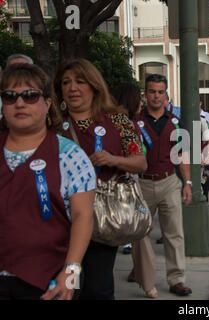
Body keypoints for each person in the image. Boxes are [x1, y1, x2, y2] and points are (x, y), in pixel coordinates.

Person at [53, 59, 147, 300]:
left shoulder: (118, 121)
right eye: (66, 82)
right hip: (59, 221)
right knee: (68, 285)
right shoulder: (52, 125)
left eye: (80, 81)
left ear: (94, 86)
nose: (72, 87)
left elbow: (140, 162)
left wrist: (113, 159)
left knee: (98, 285)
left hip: (102, 217)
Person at [0, 63, 95, 300]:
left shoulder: (70, 156)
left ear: (48, 103)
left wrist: (71, 274)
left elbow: (83, 217)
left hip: (48, 283)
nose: (19, 103)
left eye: (30, 96)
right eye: (10, 97)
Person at [136, 73, 193, 296]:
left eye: (160, 92)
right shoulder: (134, 122)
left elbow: (184, 154)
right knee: (139, 233)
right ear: (145, 94)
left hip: (170, 181)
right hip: (142, 184)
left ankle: (176, 279)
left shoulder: (177, 122)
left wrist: (187, 182)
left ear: (166, 93)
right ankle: (143, 275)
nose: (156, 96)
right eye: (152, 91)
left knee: (175, 234)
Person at [112, 82, 158, 299]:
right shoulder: (122, 122)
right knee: (140, 232)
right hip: (126, 186)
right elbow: (139, 162)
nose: (142, 102)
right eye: (139, 98)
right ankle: (148, 283)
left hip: (124, 185)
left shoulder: (120, 121)